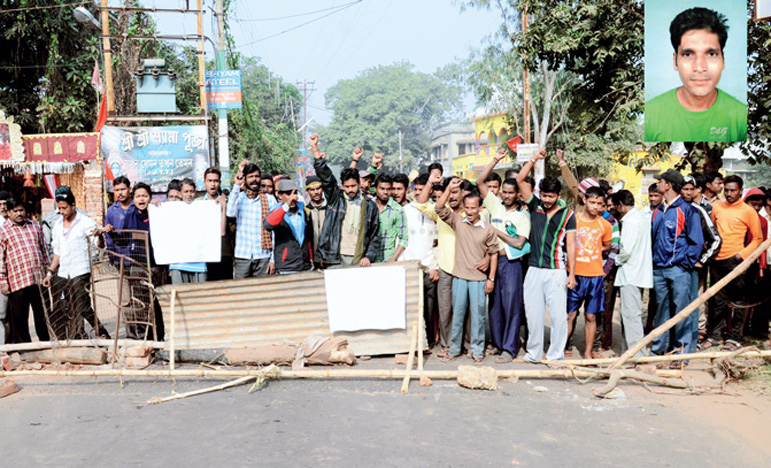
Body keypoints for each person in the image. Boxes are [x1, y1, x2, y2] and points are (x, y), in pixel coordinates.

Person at [644, 7, 747, 142]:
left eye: (711, 54)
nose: (699, 67)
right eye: (688, 54)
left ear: (723, 60)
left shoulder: (741, 117)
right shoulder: (650, 115)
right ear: (675, 61)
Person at [516, 149, 577, 363]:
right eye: (544, 195)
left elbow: (571, 246)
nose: (547, 199)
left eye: (551, 196)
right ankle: (533, 354)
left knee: (559, 318)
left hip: (557, 271)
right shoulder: (535, 206)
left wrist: (572, 274)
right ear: (539, 193)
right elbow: (520, 178)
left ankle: (555, 356)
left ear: (559, 196)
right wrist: (534, 158)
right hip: (533, 269)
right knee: (533, 316)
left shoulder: (568, 215)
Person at [435, 179, 498, 364]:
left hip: (479, 279)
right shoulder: (458, 222)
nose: (470, 211)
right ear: (464, 207)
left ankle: (477, 351)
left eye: (474, 208)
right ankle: (454, 349)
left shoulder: (488, 229)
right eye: (467, 208)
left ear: (480, 208)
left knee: (478, 316)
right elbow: (439, 208)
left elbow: (493, 254)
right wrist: (449, 189)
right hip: (460, 277)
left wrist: (491, 279)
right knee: (458, 315)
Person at [478, 149, 530, 362]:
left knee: (512, 306)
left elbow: (519, 242)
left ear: (518, 194)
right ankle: (499, 346)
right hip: (492, 261)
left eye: (511, 193)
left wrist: (494, 231)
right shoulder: (495, 205)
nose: (507, 196)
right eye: (504, 192)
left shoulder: (522, 216)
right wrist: (496, 159)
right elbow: (481, 181)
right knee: (495, 306)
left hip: (511, 263)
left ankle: (510, 348)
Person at [41, 186, 110, 339]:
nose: (62, 211)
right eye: (59, 208)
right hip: (64, 271)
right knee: (69, 306)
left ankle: (97, 335)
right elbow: (57, 252)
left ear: (73, 206)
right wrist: (50, 272)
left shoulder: (85, 222)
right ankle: (80, 336)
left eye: (64, 208)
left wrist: (99, 236)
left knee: (82, 305)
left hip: (81, 270)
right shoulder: (57, 225)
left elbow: (99, 246)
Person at [650, 169, 704, 358]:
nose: (657, 184)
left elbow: (696, 242)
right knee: (661, 311)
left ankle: (681, 353)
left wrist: (684, 264)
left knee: (682, 312)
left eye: (660, 181)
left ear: (669, 185)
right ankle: (658, 350)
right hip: (659, 270)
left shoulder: (687, 210)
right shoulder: (658, 211)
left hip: (678, 270)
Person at [705, 176, 762, 350]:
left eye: (733, 190)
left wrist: (741, 255)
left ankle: (734, 337)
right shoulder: (717, 207)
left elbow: (758, 238)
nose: (729, 194)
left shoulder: (748, 211)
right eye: (726, 190)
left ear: (740, 191)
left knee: (738, 300)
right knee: (717, 300)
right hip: (716, 260)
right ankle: (714, 336)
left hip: (736, 261)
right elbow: (712, 231)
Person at [309, 134, 380, 268]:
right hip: (335, 257)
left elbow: (374, 235)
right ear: (342, 185)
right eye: (347, 187)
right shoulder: (336, 199)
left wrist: (369, 256)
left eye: (353, 186)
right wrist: (315, 149)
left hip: (359, 257)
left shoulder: (370, 206)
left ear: (359, 184)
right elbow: (325, 176)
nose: (350, 190)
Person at [415, 174, 466, 358]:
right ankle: (446, 344)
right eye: (449, 193)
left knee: (464, 310)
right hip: (445, 267)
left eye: (456, 192)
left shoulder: (471, 212)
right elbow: (421, 203)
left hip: (466, 269)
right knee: (445, 310)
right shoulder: (441, 213)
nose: (452, 196)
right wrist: (443, 187)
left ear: (463, 194)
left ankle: (465, 345)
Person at [566, 186, 612, 359]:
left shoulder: (605, 225)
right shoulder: (573, 220)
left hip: (595, 277)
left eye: (599, 204)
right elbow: (567, 243)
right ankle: (562, 348)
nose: (595, 207)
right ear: (584, 200)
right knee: (569, 314)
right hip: (575, 274)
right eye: (592, 202)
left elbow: (606, 246)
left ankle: (587, 352)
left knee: (591, 316)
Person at [0, 198, 50, 343]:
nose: (19, 213)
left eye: (21, 210)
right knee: (20, 319)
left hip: (38, 279)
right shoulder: (3, 232)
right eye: (15, 211)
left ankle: (45, 345)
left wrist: (48, 273)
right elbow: (0, 259)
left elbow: (44, 250)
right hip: (17, 281)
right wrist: (3, 281)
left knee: (42, 316)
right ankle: (25, 350)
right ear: (8, 213)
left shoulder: (35, 226)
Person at [681, 174, 721, 351]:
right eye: (684, 188)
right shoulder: (673, 209)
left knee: (696, 301)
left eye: (691, 189)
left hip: (695, 268)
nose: (688, 192)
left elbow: (715, 240)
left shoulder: (701, 210)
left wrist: (701, 260)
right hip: (675, 267)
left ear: (697, 190)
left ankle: (695, 338)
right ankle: (678, 339)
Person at [399, 173, 440, 347]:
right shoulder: (405, 211)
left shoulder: (435, 210)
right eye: (416, 190)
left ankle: (430, 342)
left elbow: (438, 243)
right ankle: (413, 343)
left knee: (430, 309)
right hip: (410, 266)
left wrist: (435, 267)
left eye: (422, 190)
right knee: (412, 308)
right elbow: (400, 240)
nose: (418, 194)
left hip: (429, 267)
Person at [611, 190, 653, 356]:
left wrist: (615, 260)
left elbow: (626, 249)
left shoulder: (630, 222)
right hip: (638, 272)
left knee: (631, 316)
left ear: (621, 205)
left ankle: (637, 355)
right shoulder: (641, 218)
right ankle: (628, 352)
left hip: (630, 273)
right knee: (630, 315)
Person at [226, 160, 278, 278]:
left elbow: (274, 231)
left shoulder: (269, 199)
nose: (254, 179)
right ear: (245, 179)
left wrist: (273, 258)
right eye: (250, 177)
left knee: (263, 293)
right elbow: (230, 213)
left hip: (264, 256)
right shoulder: (238, 197)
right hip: (242, 255)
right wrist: (237, 185)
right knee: (241, 293)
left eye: (257, 176)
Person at [263, 179, 313, 274]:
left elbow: (308, 238)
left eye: (294, 193)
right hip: (287, 266)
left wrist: (310, 259)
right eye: (288, 194)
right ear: (280, 196)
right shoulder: (277, 212)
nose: (292, 198)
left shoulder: (303, 211)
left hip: (305, 265)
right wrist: (286, 206)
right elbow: (267, 225)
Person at [169, 178, 207, 284]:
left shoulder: (203, 209)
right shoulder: (171, 210)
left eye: (191, 191)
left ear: (195, 192)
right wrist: (153, 205)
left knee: (200, 297)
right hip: (178, 263)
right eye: (186, 191)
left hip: (199, 264)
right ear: (180, 193)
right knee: (180, 297)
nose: (189, 194)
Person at [743, 188, 769, 342]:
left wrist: (761, 267)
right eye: (753, 204)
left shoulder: (763, 221)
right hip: (736, 260)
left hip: (752, 263)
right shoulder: (740, 216)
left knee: (750, 297)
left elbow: (763, 246)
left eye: (759, 205)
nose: (756, 208)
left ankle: (746, 329)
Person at [373, 174, 408, 263]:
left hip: (388, 258)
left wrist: (393, 259)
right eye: (382, 188)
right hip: (369, 260)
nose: (385, 192)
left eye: (388, 189)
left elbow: (403, 238)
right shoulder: (368, 206)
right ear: (375, 189)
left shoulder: (397, 210)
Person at [104, 176, 133, 256]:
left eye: (123, 189)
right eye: (117, 190)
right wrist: (111, 256)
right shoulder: (111, 211)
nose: (120, 193)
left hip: (138, 256)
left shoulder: (137, 207)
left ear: (130, 189)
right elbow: (108, 237)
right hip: (120, 255)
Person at [304, 175, 328, 266]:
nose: (316, 192)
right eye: (312, 190)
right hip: (313, 259)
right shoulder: (305, 211)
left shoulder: (330, 209)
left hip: (330, 257)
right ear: (307, 191)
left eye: (318, 188)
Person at [0, 190, 9, 344]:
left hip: (15, 273)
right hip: (2, 273)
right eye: (0, 204)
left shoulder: (15, 222)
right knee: (1, 313)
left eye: (4, 204)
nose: (2, 207)